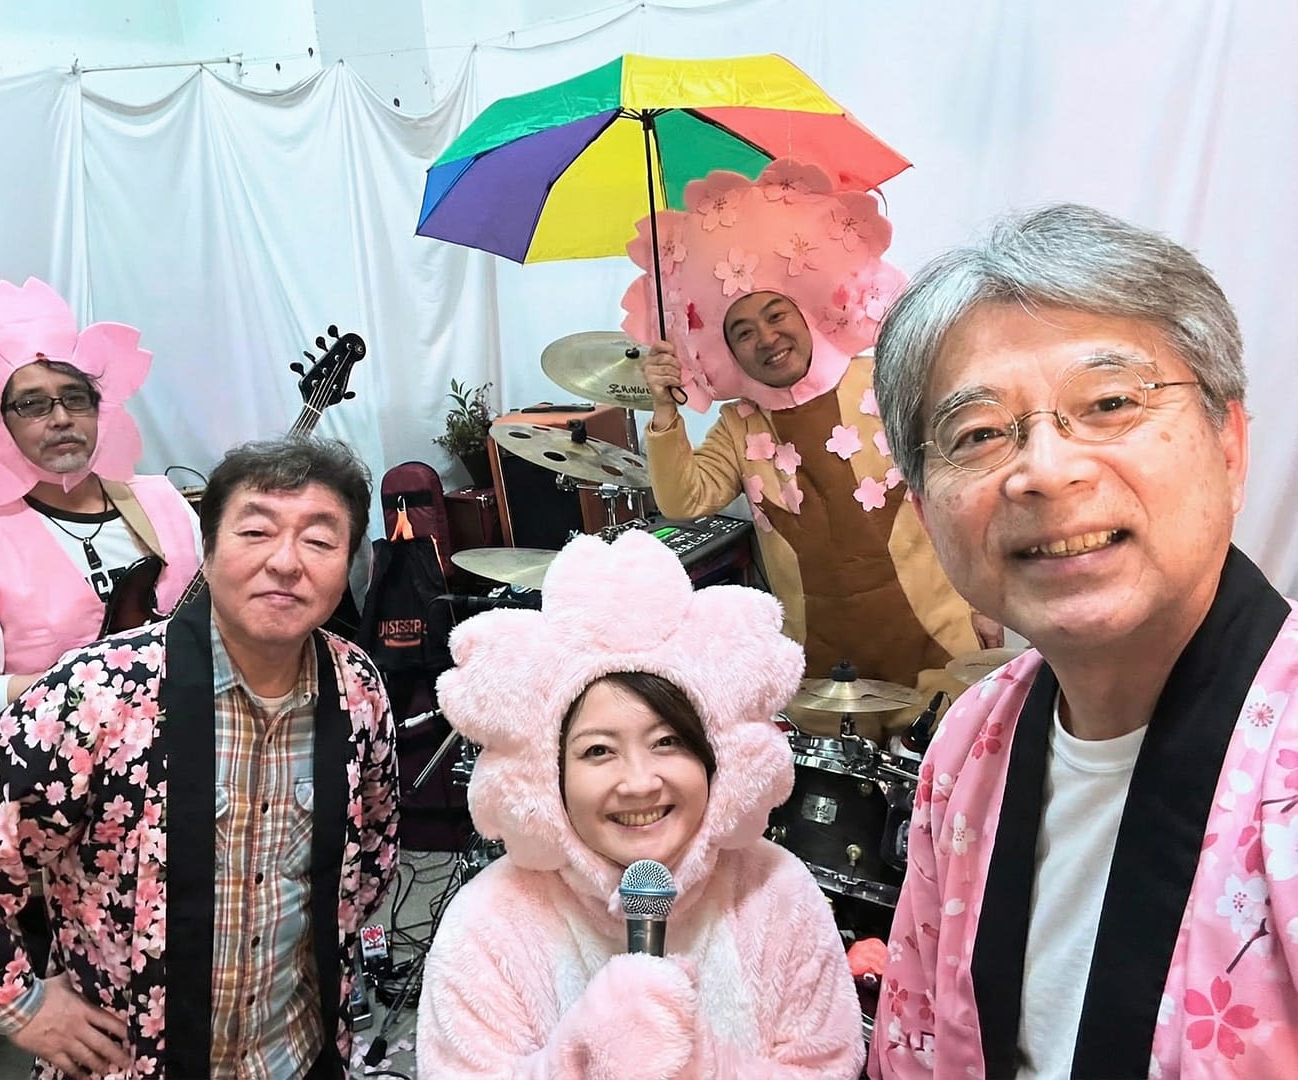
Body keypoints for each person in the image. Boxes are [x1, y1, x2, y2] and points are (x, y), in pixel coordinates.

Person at [867, 204, 1298, 1078]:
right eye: (978, 435)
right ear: (923, 508)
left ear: (1229, 443)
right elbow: (916, 1049)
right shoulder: (970, 741)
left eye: (1109, 404)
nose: (1046, 470)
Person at [0, 435, 401, 1079]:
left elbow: (372, 854)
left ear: (350, 562)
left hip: (296, 1052)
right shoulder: (102, 692)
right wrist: (21, 1007)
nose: (285, 561)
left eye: (320, 540)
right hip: (133, 1061)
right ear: (207, 549)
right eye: (256, 531)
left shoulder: (357, 688)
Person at [417, 529, 865, 1078]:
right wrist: (583, 1058)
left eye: (667, 741)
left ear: (714, 756)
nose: (639, 782)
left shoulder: (777, 892)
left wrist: (697, 1063)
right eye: (598, 751)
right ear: (549, 773)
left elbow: (828, 1066)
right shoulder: (487, 923)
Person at [623, 159, 994, 736]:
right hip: (826, 675)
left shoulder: (886, 381)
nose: (767, 338)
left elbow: (968, 485)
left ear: (807, 312)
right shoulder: (740, 425)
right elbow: (683, 500)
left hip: (939, 647)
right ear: (727, 350)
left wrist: (988, 602)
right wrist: (665, 411)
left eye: (776, 315)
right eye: (743, 331)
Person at [0, 277, 203, 738]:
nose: (61, 418)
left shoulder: (165, 501)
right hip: (67, 762)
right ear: (1, 422)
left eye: (76, 399)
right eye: (33, 405)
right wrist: (73, 687)